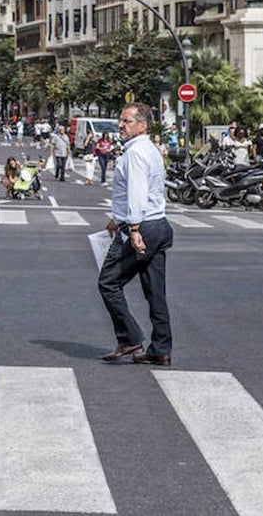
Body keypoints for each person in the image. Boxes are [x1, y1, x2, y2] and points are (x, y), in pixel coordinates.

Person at [98, 103, 174, 366]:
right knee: (155, 292)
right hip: (159, 224)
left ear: (142, 125)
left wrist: (133, 229)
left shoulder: (135, 153)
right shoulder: (150, 149)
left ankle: (129, 337)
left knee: (108, 282)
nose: (120, 125)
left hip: (143, 227)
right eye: (121, 120)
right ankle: (160, 348)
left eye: (126, 121)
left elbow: (138, 192)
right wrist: (116, 218)